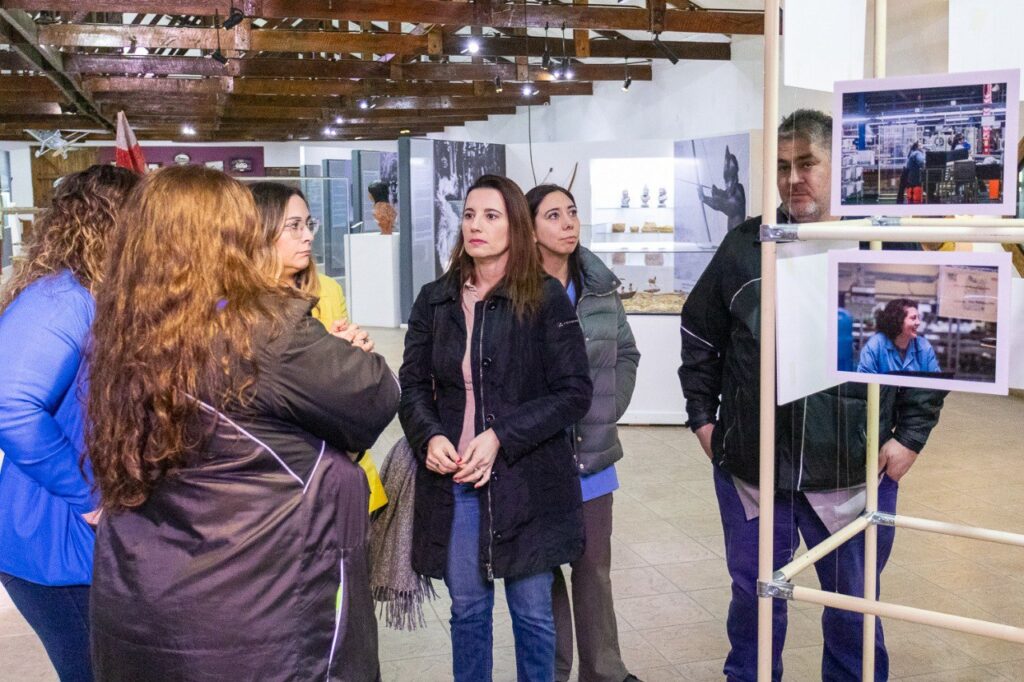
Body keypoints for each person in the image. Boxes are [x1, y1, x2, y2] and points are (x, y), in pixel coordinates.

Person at [86, 166, 399, 681]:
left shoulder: (130, 330)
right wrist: (350, 354)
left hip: (148, 599)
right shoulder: (264, 330)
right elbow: (373, 397)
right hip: (256, 617)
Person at [679, 109, 945, 682]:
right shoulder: (744, 247)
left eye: (806, 163)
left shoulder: (882, 245)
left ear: (838, 164)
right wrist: (704, 420)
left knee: (854, 610)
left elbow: (927, 353)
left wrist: (911, 437)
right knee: (755, 604)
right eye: (781, 166)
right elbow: (699, 336)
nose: (792, 178)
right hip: (754, 472)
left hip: (854, 470)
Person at [399, 174, 592, 682]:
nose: (476, 226)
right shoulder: (435, 300)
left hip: (525, 480)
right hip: (457, 480)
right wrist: (430, 436)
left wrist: (502, 435)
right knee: (467, 611)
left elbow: (574, 392)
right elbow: (413, 386)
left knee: (531, 611)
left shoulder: (546, 299)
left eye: (490, 216)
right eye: (468, 215)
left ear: (516, 227)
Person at [0, 165, 139, 682]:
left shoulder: (97, 296)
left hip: (80, 548)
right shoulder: (64, 298)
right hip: (53, 547)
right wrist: (89, 495)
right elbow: (9, 405)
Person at [525, 184, 641, 682]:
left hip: (593, 459)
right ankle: (550, 671)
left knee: (593, 572)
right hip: (537, 460)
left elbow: (627, 353)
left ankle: (605, 672)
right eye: (553, 215)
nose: (569, 223)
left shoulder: (598, 286)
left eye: (572, 212)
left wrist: (605, 408)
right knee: (543, 575)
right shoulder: (515, 293)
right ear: (530, 230)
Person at [250, 180, 387, 512]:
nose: (309, 236)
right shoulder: (236, 309)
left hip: (344, 471)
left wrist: (351, 349)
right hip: (283, 489)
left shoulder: (326, 288)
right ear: (258, 231)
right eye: (294, 226)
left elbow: (357, 392)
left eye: (308, 224)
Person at [857, 298, 940, 375]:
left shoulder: (924, 347)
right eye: (913, 318)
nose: (918, 323)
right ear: (898, 320)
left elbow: (936, 381)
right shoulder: (875, 345)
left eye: (918, 318)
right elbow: (863, 382)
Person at [698, 144, 748, 231]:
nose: (727, 184)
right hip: (732, 238)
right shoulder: (731, 192)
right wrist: (717, 192)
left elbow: (728, 206)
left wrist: (705, 198)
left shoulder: (738, 189)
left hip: (737, 239)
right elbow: (725, 197)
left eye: (729, 178)